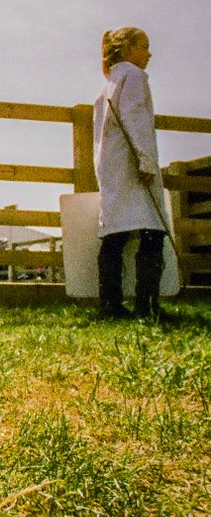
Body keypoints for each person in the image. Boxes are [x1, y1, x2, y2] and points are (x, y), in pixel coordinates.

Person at [93, 27, 168, 320]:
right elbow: (136, 118)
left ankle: (109, 305)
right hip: (133, 164)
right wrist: (147, 161)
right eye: (144, 46)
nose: (149, 53)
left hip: (112, 166)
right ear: (127, 48)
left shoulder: (109, 84)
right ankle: (146, 306)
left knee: (115, 231)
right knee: (152, 231)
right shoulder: (135, 77)